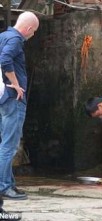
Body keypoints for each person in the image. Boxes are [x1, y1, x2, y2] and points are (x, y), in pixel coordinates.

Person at [0, 11, 39, 200]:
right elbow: (5, 60)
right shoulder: (15, 40)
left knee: (6, 144)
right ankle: (4, 186)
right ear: (29, 28)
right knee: (9, 145)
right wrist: (15, 83)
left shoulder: (3, 36)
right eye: (34, 32)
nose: (33, 35)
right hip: (13, 98)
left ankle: (9, 183)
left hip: (4, 97)